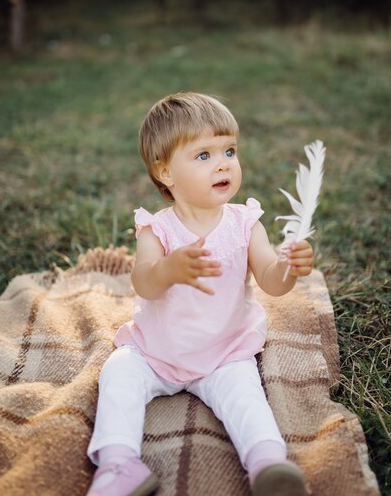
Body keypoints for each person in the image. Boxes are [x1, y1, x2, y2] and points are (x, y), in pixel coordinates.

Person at [86, 92, 314, 496]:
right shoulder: (158, 230)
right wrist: (169, 269)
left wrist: (288, 268)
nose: (224, 162)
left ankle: (266, 463)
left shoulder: (245, 223)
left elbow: (271, 280)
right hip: (157, 352)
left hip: (224, 352)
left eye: (229, 150)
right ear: (165, 173)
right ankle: (120, 464)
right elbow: (143, 282)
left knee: (245, 397)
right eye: (204, 156)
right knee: (118, 373)